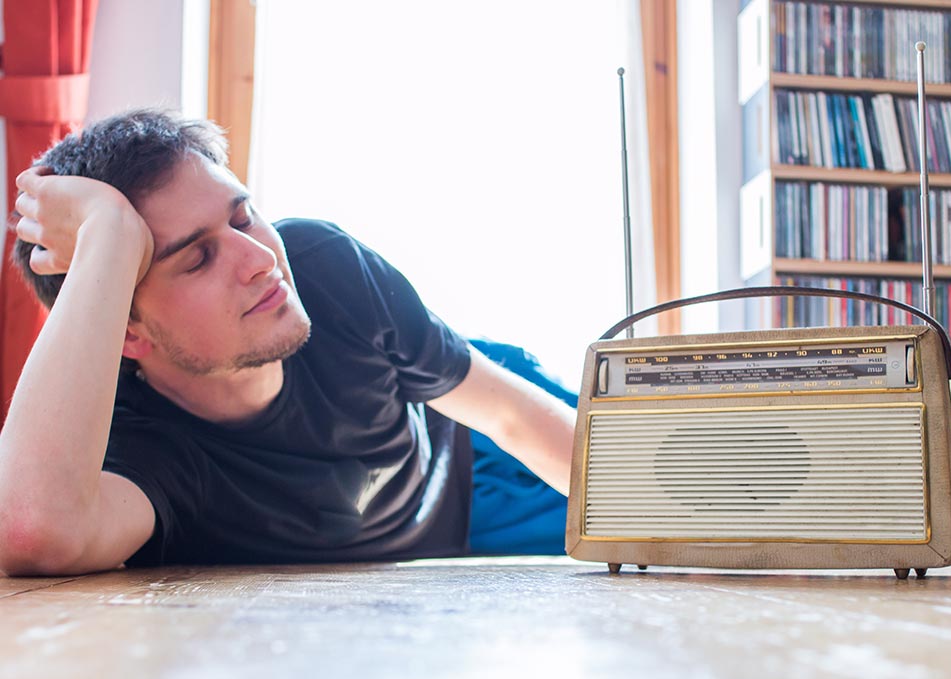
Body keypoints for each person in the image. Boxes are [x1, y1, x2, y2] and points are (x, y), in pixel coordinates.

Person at [0, 109, 578, 576]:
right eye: (198, 257)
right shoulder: (139, 445)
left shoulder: (323, 265)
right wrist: (109, 232)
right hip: (438, 532)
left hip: (468, 449)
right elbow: (30, 529)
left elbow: (508, 417)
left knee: (649, 475)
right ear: (128, 332)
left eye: (244, 217)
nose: (261, 260)